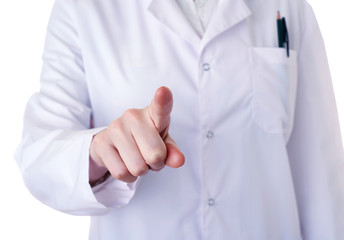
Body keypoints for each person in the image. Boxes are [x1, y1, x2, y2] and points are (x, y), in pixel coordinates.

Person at [15, 0, 344, 239]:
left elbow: (321, 174)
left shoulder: (289, 7)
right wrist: (97, 152)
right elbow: (40, 153)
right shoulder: (82, 9)